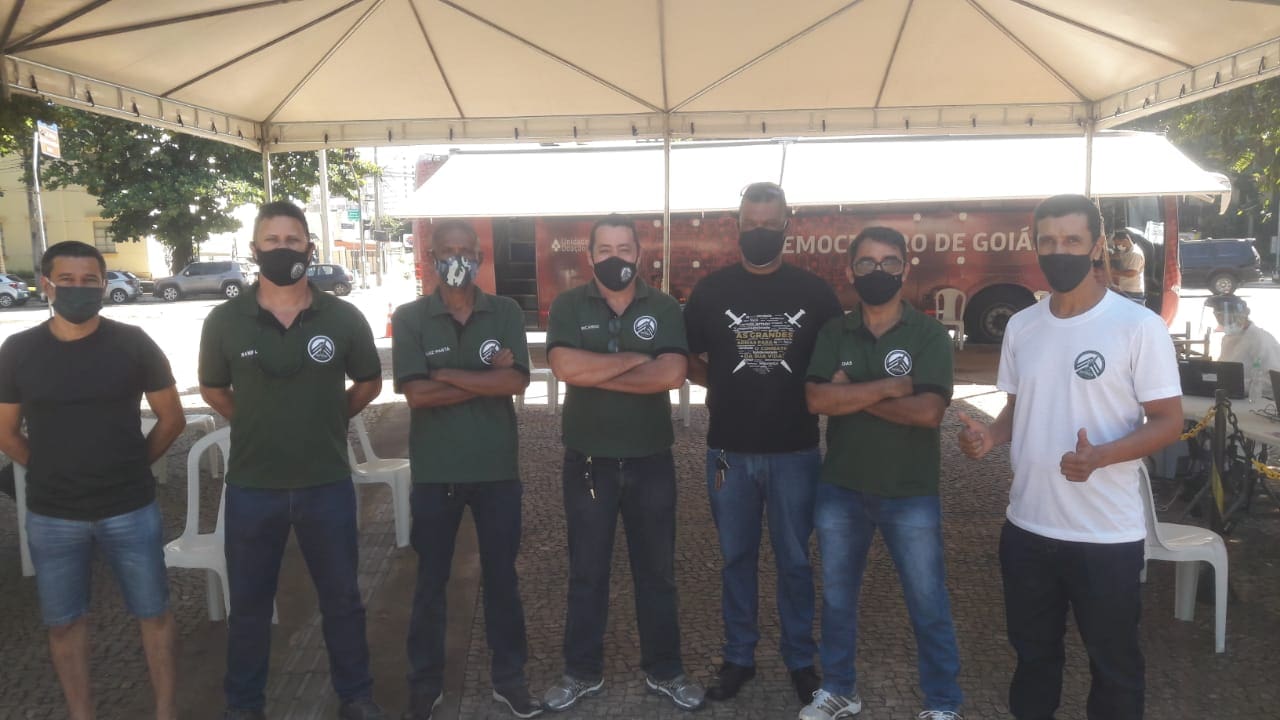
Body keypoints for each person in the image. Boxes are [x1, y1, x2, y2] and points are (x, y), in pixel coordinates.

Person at [957, 194, 1183, 720]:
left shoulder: (1137, 327)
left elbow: (1168, 421)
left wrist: (1102, 456)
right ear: (1034, 245)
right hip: (1027, 527)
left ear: (1097, 246)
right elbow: (1019, 406)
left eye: (1073, 240)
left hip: (1105, 536)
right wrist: (991, 437)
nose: (1060, 251)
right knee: (1033, 660)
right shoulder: (1022, 326)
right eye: (1049, 241)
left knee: (1114, 667)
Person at [199, 201, 387, 720]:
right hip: (252, 486)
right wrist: (254, 421)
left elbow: (369, 381)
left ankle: (356, 696)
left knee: (342, 599)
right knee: (250, 604)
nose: (283, 249)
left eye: (293, 240)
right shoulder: (225, 320)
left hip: (325, 482)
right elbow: (213, 388)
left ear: (310, 247)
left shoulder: (342, 317)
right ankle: (244, 704)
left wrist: (329, 418)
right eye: (273, 240)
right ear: (255, 249)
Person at [0, 241, 186, 720]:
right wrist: (46, 468)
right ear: (46, 285)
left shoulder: (134, 343)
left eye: (89, 281)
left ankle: (166, 711)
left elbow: (171, 419)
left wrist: (134, 465)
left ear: (104, 285)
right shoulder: (18, 351)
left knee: (154, 614)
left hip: (130, 508)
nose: (78, 289)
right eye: (67, 280)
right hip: (53, 515)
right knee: (64, 624)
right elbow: (5, 430)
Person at [682, 181, 841, 705]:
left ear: (787, 226)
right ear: (737, 225)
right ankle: (738, 657)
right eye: (751, 224)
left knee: (795, 561)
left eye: (770, 225)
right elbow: (685, 356)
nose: (760, 232)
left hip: (796, 451)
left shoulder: (815, 294)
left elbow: (835, 363)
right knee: (736, 559)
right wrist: (718, 383)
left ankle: (800, 660)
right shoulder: (711, 291)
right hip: (728, 450)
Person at [542, 214, 704, 713]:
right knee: (587, 572)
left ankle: (665, 670)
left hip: (650, 459)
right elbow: (564, 366)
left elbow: (672, 374)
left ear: (640, 253)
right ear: (590, 256)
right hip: (588, 461)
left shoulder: (664, 306)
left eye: (625, 249)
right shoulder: (569, 305)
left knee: (657, 573)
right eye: (605, 250)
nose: (616, 258)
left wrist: (595, 372)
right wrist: (637, 359)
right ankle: (581, 673)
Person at [803, 227, 964, 720]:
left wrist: (853, 392)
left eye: (889, 262)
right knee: (837, 599)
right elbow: (817, 399)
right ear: (850, 271)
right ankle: (839, 689)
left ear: (905, 268)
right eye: (867, 263)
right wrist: (891, 387)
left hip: (910, 490)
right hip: (842, 486)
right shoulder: (834, 331)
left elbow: (928, 413)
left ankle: (942, 703)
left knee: (927, 601)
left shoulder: (928, 334)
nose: (879, 271)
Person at [392, 221, 542, 719]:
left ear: (480, 256)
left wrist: (447, 374)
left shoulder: (505, 311)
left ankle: (509, 679)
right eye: (447, 250)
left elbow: (517, 383)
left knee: (502, 578)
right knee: (430, 582)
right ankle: (425, 683)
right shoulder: (411, 317)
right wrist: (485, 378)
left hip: (496, 470)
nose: (457, 258)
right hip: (435, 473)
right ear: (430, 257)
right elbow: (416, 395)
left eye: (465, 250)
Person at [1206, 294, 1280, 382]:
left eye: (1228, 319)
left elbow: (1273, 380)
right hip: (1228, 388)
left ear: (1242, 315)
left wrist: (1240, 384)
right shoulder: (1227, 339)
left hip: (1251, 391)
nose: (1223, 323)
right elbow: (1223, 368)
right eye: (1219, 317)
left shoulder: (1260, 339)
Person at [1109, 230, 1145, 302]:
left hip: (1132, 292)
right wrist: (1106, 256)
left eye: (1118, 244)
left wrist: (1115, 272)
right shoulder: (1125, 251)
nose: (1117, 246)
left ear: (1125, 240)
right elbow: (1117, 256)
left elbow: (1132, 273)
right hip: (1125, 289)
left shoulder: (1135, 254)